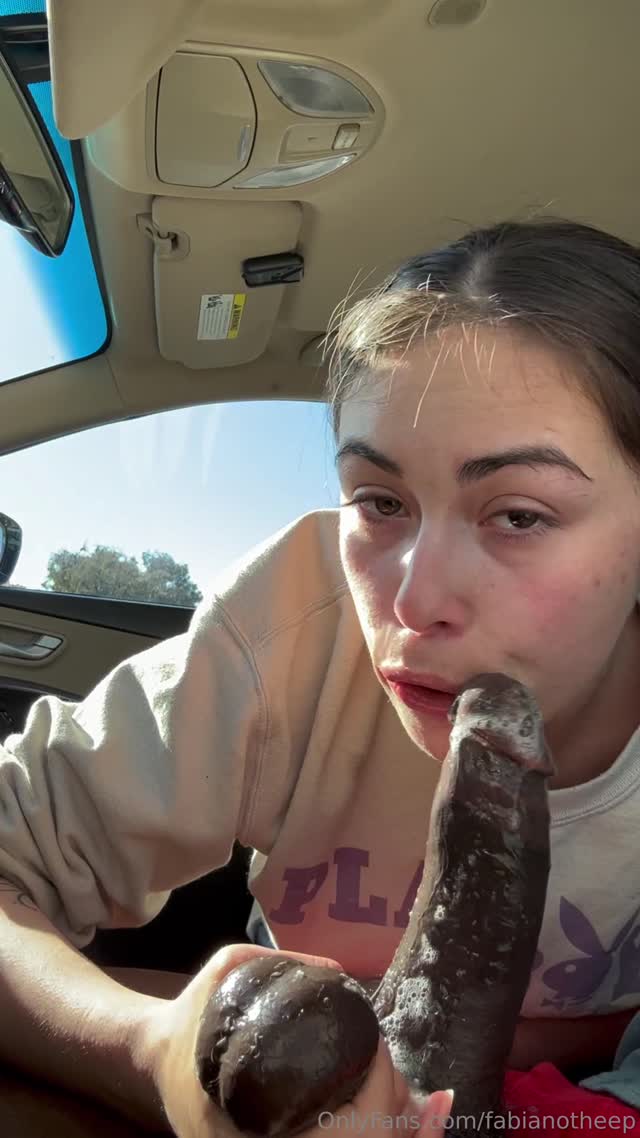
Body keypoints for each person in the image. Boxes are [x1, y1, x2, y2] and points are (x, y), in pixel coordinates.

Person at [2, 217, 640, 1136]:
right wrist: (147, 1052)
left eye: (519, 516)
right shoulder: (294, 622)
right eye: (380, 501)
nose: (414, 600)